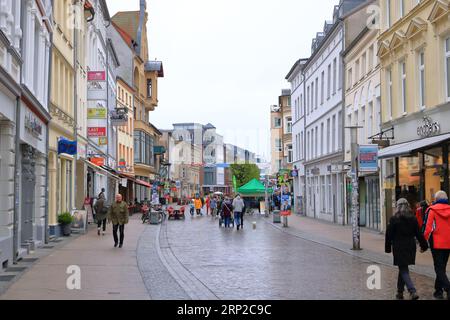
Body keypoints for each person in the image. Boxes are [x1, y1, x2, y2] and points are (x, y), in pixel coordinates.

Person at [385, 198, 428, 300]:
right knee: (403, 268)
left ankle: (412, 291)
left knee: (403, 269)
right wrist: (424, 246)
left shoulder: (394, 219)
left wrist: (387, 248)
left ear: (397, 206)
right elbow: (419, 234)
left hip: (399, 247)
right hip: (410, 247)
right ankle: (399, 292)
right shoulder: (412, 218)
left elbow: (388, 235)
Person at [423, 190, 450, 300]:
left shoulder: (431, 210)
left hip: (437, 243)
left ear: (436, 200)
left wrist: (423, 242)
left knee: (438, 268)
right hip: (448, 243)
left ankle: (448, 288)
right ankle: (438, 291)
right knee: (442, 267)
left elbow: (428, 228)